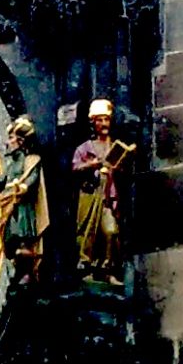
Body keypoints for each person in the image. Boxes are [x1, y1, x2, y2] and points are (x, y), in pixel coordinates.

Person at [72, 100, 134, 287]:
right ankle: (87, 268)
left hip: (108, 195)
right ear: (93, 123)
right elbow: (75, 168)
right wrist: (93, 164)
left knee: (111, 231)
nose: (104, 124)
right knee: (88, 231)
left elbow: (122, 172)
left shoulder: (113, 146)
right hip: (91, 194)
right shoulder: (85, 148)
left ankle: (108, 270)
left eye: (106, 119)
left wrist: (123, 161)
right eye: (100, 120)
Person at [0, 115, 49, 287]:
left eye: (11, 138)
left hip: (23, 207)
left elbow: (32, 179)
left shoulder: (31, 160)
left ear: (21, 141)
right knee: (10, 240)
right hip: (10, 206)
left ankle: (26, 272)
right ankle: (16, 268)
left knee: (23, 239)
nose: (8, 142)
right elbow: (1, 183)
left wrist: (23, 187)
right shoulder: (11, 164)